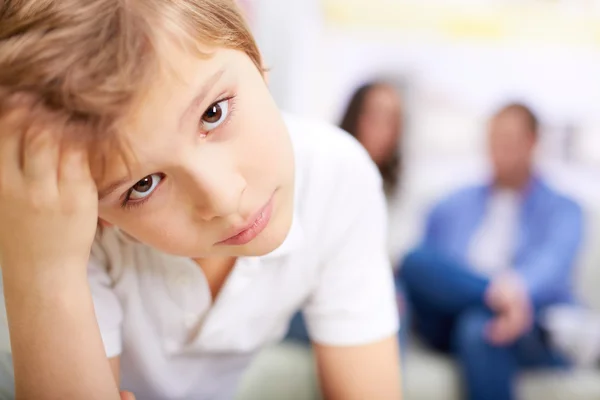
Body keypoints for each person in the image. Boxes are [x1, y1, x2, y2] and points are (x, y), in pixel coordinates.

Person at [0, 1, 402, 400]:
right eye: (143, 185)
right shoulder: (62, 230)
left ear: (253, 51)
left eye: (213, 112)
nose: (224, 199)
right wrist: (47, 273)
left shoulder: (337, 177)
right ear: (99, 216)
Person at [400, 103, 584, 400]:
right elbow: (433, 268)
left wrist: (516, 289)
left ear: (532, 142)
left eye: (509, 139)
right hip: (450, 315)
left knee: (480, 328)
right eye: (494, 139)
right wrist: (496, 294)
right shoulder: (453, 204)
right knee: (415, 260)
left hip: (528, 323)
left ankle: (500, 300)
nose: (499, 149)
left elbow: (552, 264)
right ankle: (495, 296)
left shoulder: (564, 209)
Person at [287, 82, 408, 351]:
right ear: (356, 116)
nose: (385, 129)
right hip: (311, 296)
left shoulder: (396, 191)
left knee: (396, 296)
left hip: (365, 295)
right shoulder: (324, 171)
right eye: (376, 116)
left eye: (393, 120)